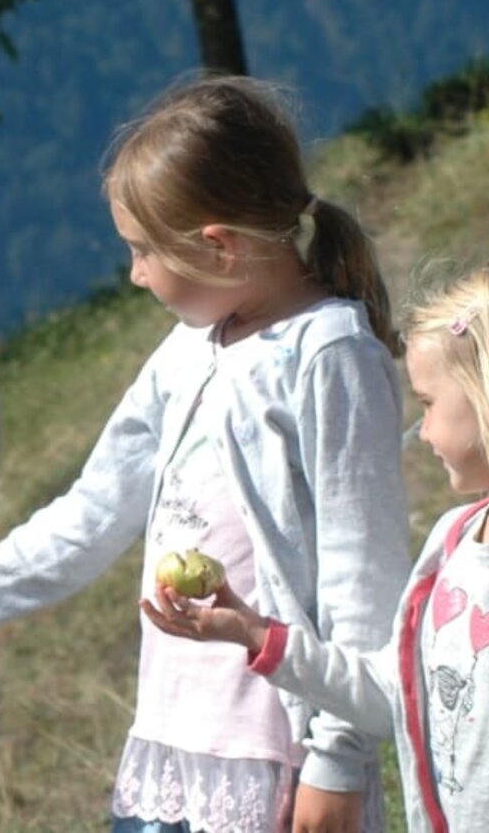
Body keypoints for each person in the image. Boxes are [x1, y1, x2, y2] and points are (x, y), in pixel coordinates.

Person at [0, 75, 412, 833]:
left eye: (141, 252)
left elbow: (364, 583)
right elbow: (91, 514)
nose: (133, 274)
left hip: (281, 766)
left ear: (219, 246)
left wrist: (339, 759)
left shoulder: (329, 355)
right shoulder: (191, 347)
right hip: (172, 752)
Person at [143, 266, 489, 833]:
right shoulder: (449, 545)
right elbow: (386, 693)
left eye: (427, 404)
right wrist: (253, 634)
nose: (420, 432)